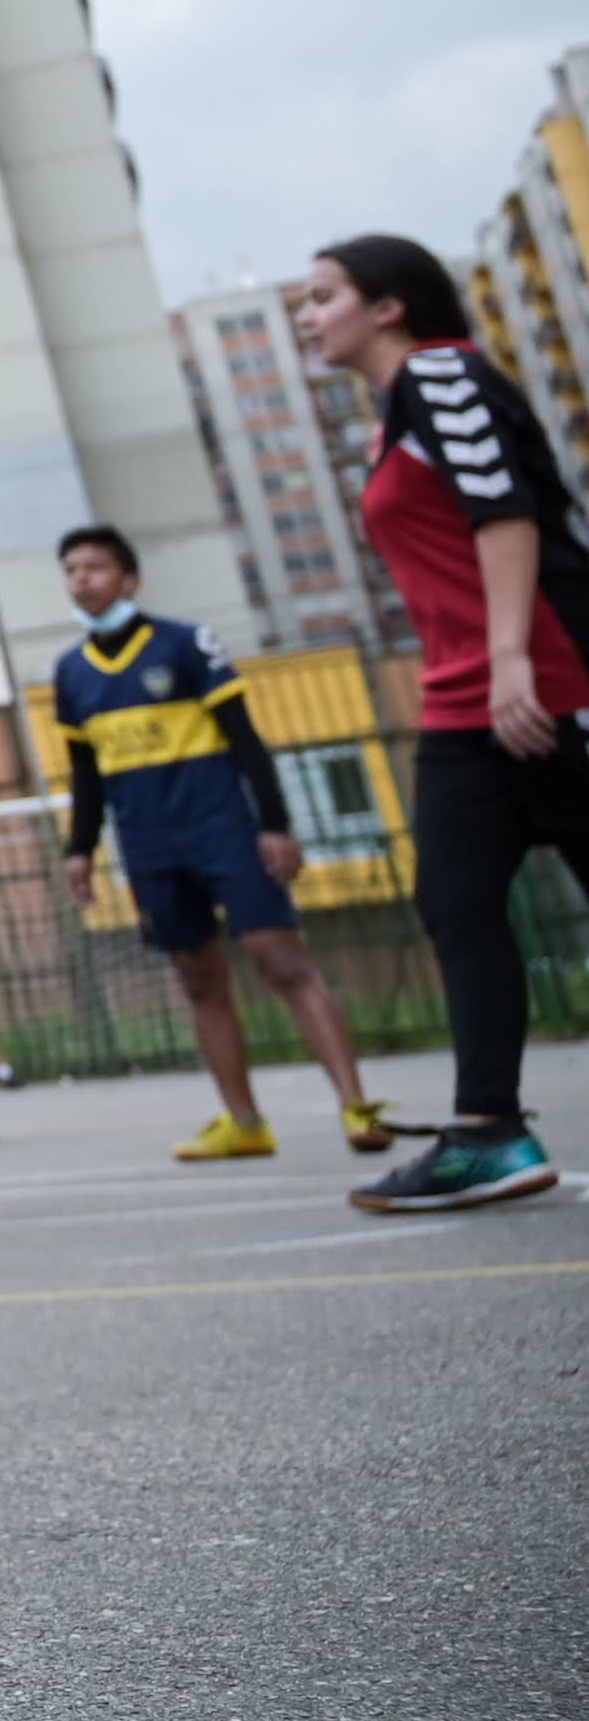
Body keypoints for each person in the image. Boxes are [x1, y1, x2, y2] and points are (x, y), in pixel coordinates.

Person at [297, 236, 589, 1214]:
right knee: (456, 904)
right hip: (461, 702)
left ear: (388, 305)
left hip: (544, 679)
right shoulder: (394, 415)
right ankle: (487, 1133)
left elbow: (503, 511)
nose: (305, 315)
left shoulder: (440, 373)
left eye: (322, 296)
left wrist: (512, 660)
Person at [43, 522, 385, 1167]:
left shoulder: (184, 643)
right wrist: (79, 849)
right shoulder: (71, 672)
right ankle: (244, 1122)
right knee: (199, 979)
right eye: (71, 570)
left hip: (220, 831)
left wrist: (275, 824)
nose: (81, 579)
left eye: (95, 567)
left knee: (282, 961)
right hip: (148, 845)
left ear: (130, 579)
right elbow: (85, 773)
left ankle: (355, 1105)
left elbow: (246, 740)